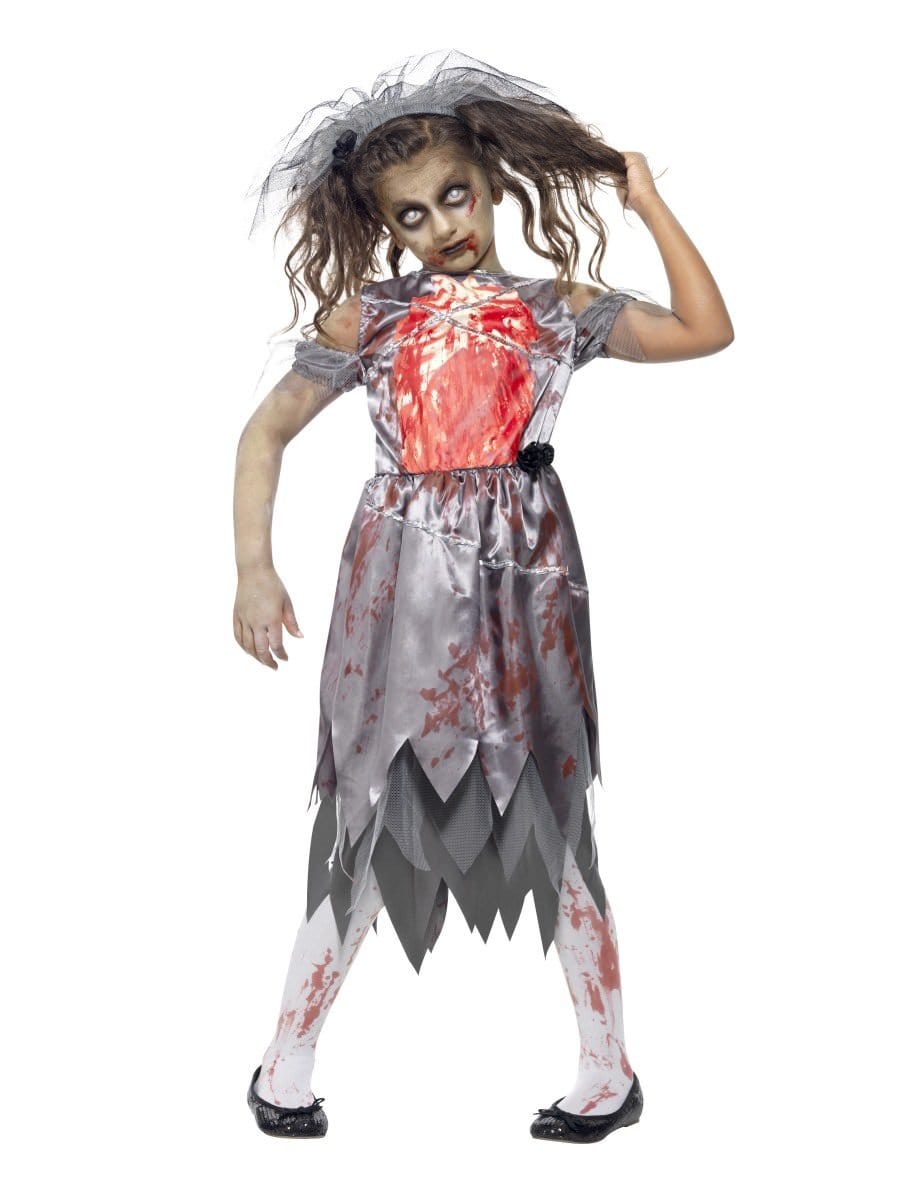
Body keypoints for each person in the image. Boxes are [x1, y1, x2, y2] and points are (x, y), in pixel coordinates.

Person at [234, 49, 734, 1142]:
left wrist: (647, 203)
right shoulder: (371, 319)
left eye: (455, 195)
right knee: (373, 812)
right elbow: (263, 434)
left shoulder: (555, 310)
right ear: (386, 230)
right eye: (411, 216)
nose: (442, 226)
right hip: (398, 587)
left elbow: (706, 330)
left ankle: (607, 1070)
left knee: (551, 811)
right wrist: (254, 570)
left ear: (493, 183)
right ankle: (285, 1061)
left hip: (525, 583)